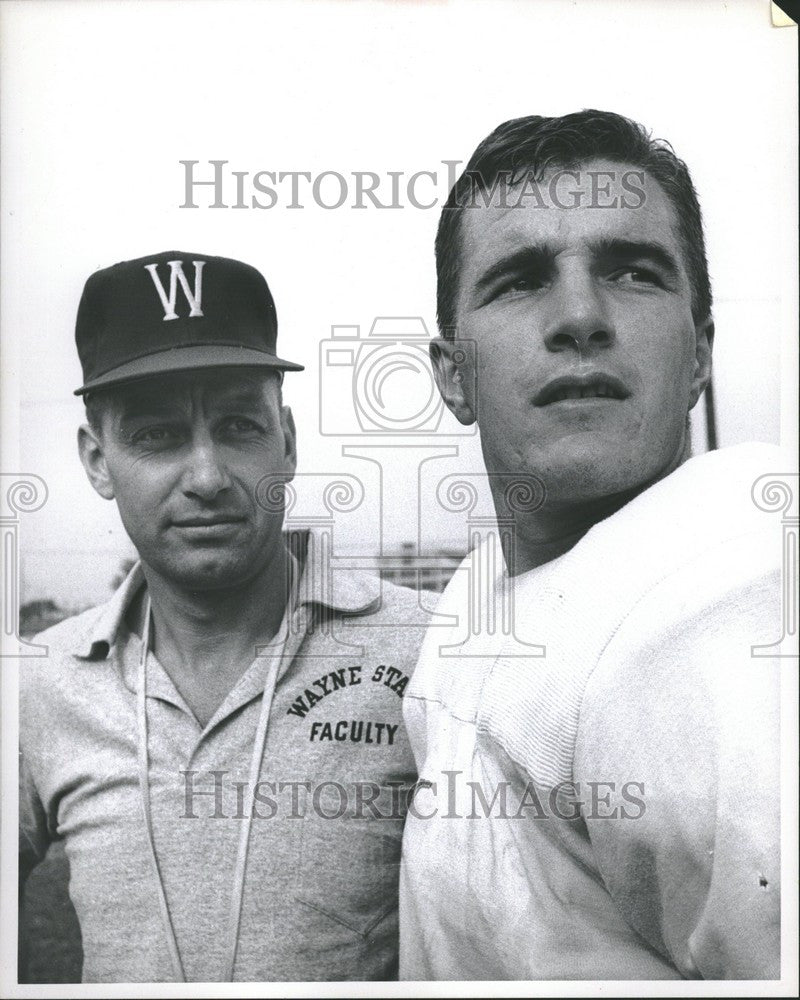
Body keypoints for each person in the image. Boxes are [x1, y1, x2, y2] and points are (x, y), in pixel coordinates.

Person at [400, 111, 784, 980]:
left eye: (634, 273)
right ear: (452, 375)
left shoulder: (733, 591)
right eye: (518, 279)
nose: (580, 316)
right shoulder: (477, 593)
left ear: (700, 357)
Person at [19, 251, 426, 983]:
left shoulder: (424, 649)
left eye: (240, 426)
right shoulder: (38, 687)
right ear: (96, 459)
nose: (207, 477)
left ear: (289, 442)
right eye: (157, 435)